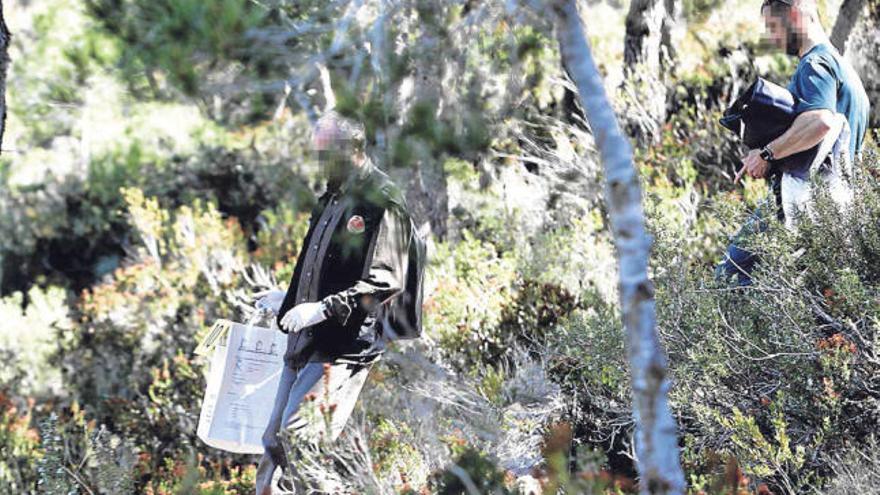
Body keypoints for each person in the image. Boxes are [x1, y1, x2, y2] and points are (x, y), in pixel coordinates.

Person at [252, 111, 412, 494]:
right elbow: (319, 265)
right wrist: (289, 299)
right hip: (304, 341)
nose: (320, 160)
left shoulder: (382, 200)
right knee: (274, 443)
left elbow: (385, 279)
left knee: (300, 443)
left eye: (326, 152)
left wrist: (323, 309)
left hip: (339, 349)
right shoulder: (332, 197)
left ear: (352, 149)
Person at [715, 0, 870, 285]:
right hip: (837, 212)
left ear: (796, 15)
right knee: (808, 299)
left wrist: (766, 154)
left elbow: (819, 121)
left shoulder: (815, 63)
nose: (771, 37)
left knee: (729, 277)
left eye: (773, 26)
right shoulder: (847, 73)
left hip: (802, 201)